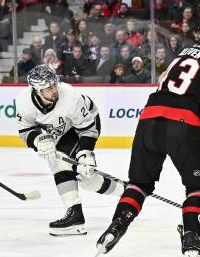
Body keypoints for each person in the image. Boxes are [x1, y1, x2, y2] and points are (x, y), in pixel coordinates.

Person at [96, 18, 200, 257]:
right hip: (182, 125)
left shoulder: (181, 56)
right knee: (198, 187)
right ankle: (192, 238)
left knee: (138, 183)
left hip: (148, 121)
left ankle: (116, 225)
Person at [15, 65, 123, 236]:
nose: (54, 89)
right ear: (37, 90)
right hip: (61, 132)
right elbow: (25, 130)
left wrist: (86, 154)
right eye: (49, 88)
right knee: (76, 173)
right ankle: (82, 213)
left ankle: (79, 215)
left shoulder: (70, 97)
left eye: (54, 84)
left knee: (80, 172)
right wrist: (38, 139)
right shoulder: (23, 102)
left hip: (84, 126)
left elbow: (88, 128)